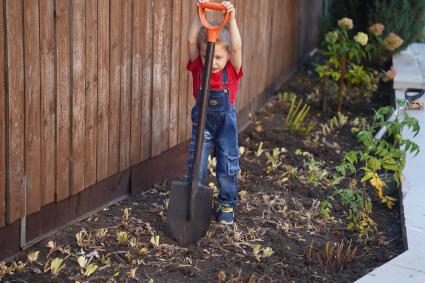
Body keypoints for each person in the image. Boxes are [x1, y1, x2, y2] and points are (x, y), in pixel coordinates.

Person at [186, 0, 243, 225]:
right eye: (207, 56)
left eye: (219, 57)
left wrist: (232, 19)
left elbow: (237, 46)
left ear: (228, 56)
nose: (212, 62)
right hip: (203, 124)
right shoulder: (199, 66)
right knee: (197, 162)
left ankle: (227, 204)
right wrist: (197, 14)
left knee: (227, 164)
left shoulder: (232, 69)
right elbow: (192, 39)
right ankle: (194, 201)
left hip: (226, 125)